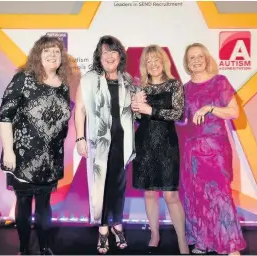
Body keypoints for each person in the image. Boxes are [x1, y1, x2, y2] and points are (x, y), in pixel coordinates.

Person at [0, 35, 72, 255]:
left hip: (50, 159)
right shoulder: (23, 79)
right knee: (23, 202)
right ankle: (23, 248)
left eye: (56, 52)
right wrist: (9, 151)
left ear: (62, 58)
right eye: (47, 51)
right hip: (22, 156)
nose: (52, 55)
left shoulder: (64, 86)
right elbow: (4, 117)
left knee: (44, 206)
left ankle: (45, 246)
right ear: (37, 55)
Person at [74, 35, 140, 254]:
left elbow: (133, 110)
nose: (110, 56)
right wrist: (80, 138)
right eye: (105, 52)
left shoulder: (128, 79)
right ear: (98, 56)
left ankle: (117, 224)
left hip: (122, 142)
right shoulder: (89, 79)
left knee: (118, 187)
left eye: (114, 52)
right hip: (98, 142)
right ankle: (103, 229)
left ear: (120, 55)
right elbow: (80, 110)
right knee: (100, 186)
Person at [181, 42, 246, 255]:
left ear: (207, 58)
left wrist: (210, 108)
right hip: (192, 152)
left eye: (200, 56)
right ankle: (203, 242)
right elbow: (180, 120)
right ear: (187, 63)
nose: (196, 60)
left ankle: (230, 246)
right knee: (196, 196)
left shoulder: (220, 82)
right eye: (192, 57)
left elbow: (234, 112)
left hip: (215, 149)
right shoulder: (185, 88)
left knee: (220, 196)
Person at [131, 45, 189, 254]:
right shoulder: (140, 88)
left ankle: (182, 240)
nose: (153, 64)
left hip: (166, 145)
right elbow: (138, 119)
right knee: (149, 194)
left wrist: (151, 110)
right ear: (144, 66)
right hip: (145, 144)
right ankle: (154, 234)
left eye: (156, 60)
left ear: (163, 62)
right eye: (149, 61)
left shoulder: (174, 85)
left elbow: (178, 114)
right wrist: (135, 108)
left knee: (171, 195)